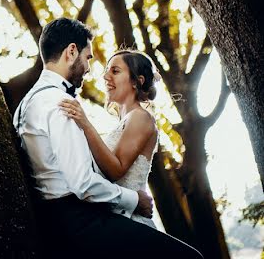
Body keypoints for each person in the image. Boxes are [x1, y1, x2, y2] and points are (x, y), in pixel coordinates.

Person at [14, 18, 202, 258]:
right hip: (80, 221)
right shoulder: (60, 103)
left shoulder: (27, 103)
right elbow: (83, 183)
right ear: (72, 51)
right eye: (88, 57)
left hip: (57, 218)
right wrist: (135, 200)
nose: (90, 68)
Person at [59, 49, 160, 229]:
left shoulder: (140, 117)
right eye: (107, 70)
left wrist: (85, 123)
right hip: (111, 218)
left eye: (115, 71)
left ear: (137, 81)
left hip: (130, 222)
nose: (106, 76)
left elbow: (116, 170)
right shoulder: (123, 122)